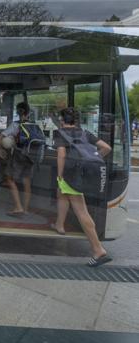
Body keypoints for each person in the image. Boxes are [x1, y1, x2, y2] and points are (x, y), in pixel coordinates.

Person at [53, 107, 112, 267]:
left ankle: (98, 250)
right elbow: (107, 148)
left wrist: (59, 175)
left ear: (62, 120)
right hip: (82, 174)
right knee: (62, 195)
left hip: (70, 176)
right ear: (77, 120)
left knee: (81, 211)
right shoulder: (85, 133)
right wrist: (93, 158)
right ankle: (59, 224)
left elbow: (62, 155)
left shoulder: (60, 133)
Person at [0, 101, 35, 216]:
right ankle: (26, 209)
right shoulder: (33, 125)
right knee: (27, 183)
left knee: (10, 179)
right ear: (28, 112)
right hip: (31, 156)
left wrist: (0, 148)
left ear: (18, 112)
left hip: (19, 154)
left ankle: (18, 207)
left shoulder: (16, 124)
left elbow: (2, 135)